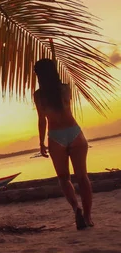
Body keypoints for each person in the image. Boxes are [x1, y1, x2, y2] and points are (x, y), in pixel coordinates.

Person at [33, 58, 93, 230]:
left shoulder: (38, 95)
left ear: (39, 76)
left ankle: (77, 208)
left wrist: (41, 142)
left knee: (63, 178)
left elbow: (41, 120)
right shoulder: (66, 88)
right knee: (83, 177)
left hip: (56, 136)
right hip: (75, 133)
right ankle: (88, 217)